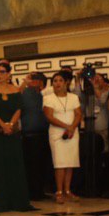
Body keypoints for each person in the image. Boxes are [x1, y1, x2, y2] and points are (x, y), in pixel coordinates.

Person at [0, 61, 34, 213]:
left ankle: (18, 201)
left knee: (15, 163)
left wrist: (10, 125)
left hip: (12, 131)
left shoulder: (15, 90)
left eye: (2, 72)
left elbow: (19, 109)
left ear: (9, 74)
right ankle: (0, 202)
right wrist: (3, 125)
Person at [43, 70, 82, 203]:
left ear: (66, 83)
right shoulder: (48, 98)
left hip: (72, 133)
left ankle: (67, 190)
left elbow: (78, 114)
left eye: (60, 81)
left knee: (70, 162)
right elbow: (49, 116)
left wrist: (72, 127)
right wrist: (67, 126)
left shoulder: (73, 97)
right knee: (59, 163)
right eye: (55, 81)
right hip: (57, 133)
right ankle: (59, 191)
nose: (57, 83)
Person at [20, 72, 51, 200]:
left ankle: (39, 191)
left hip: (43, 134)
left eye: (34, 79)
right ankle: (32, 192)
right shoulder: (26, 93)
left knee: (41, 165)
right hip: (30, 134)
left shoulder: (45, 94)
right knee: (32, 166)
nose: (32, 82)